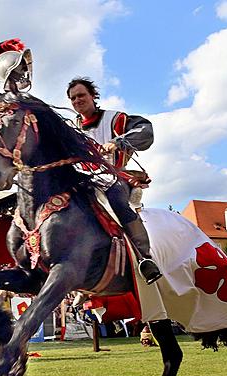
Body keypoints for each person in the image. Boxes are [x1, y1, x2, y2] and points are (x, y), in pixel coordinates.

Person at [66, 77, 161, 284]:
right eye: (73, 98)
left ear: (93, 96)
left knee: (116, 200)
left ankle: (144, 257)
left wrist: (118, 141)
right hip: (82, 182)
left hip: (114, 177)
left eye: (81, 95)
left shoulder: (115, 118)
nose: (77, 100)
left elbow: (146, 130)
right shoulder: (71, 129)